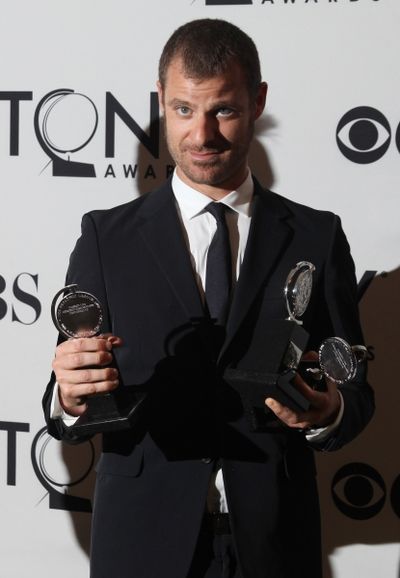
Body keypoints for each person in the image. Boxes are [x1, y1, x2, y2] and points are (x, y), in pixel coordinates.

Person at [42, 18, 374, 578]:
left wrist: (328, 411)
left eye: (223, 110)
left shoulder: (316, 236)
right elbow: (69, 397)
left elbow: (356, 391)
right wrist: (69, 396)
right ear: (161, 102)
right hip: (140, 543)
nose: (202, 136)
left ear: (258, 101)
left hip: (274, 544)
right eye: (182, 110)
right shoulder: (106, 237)